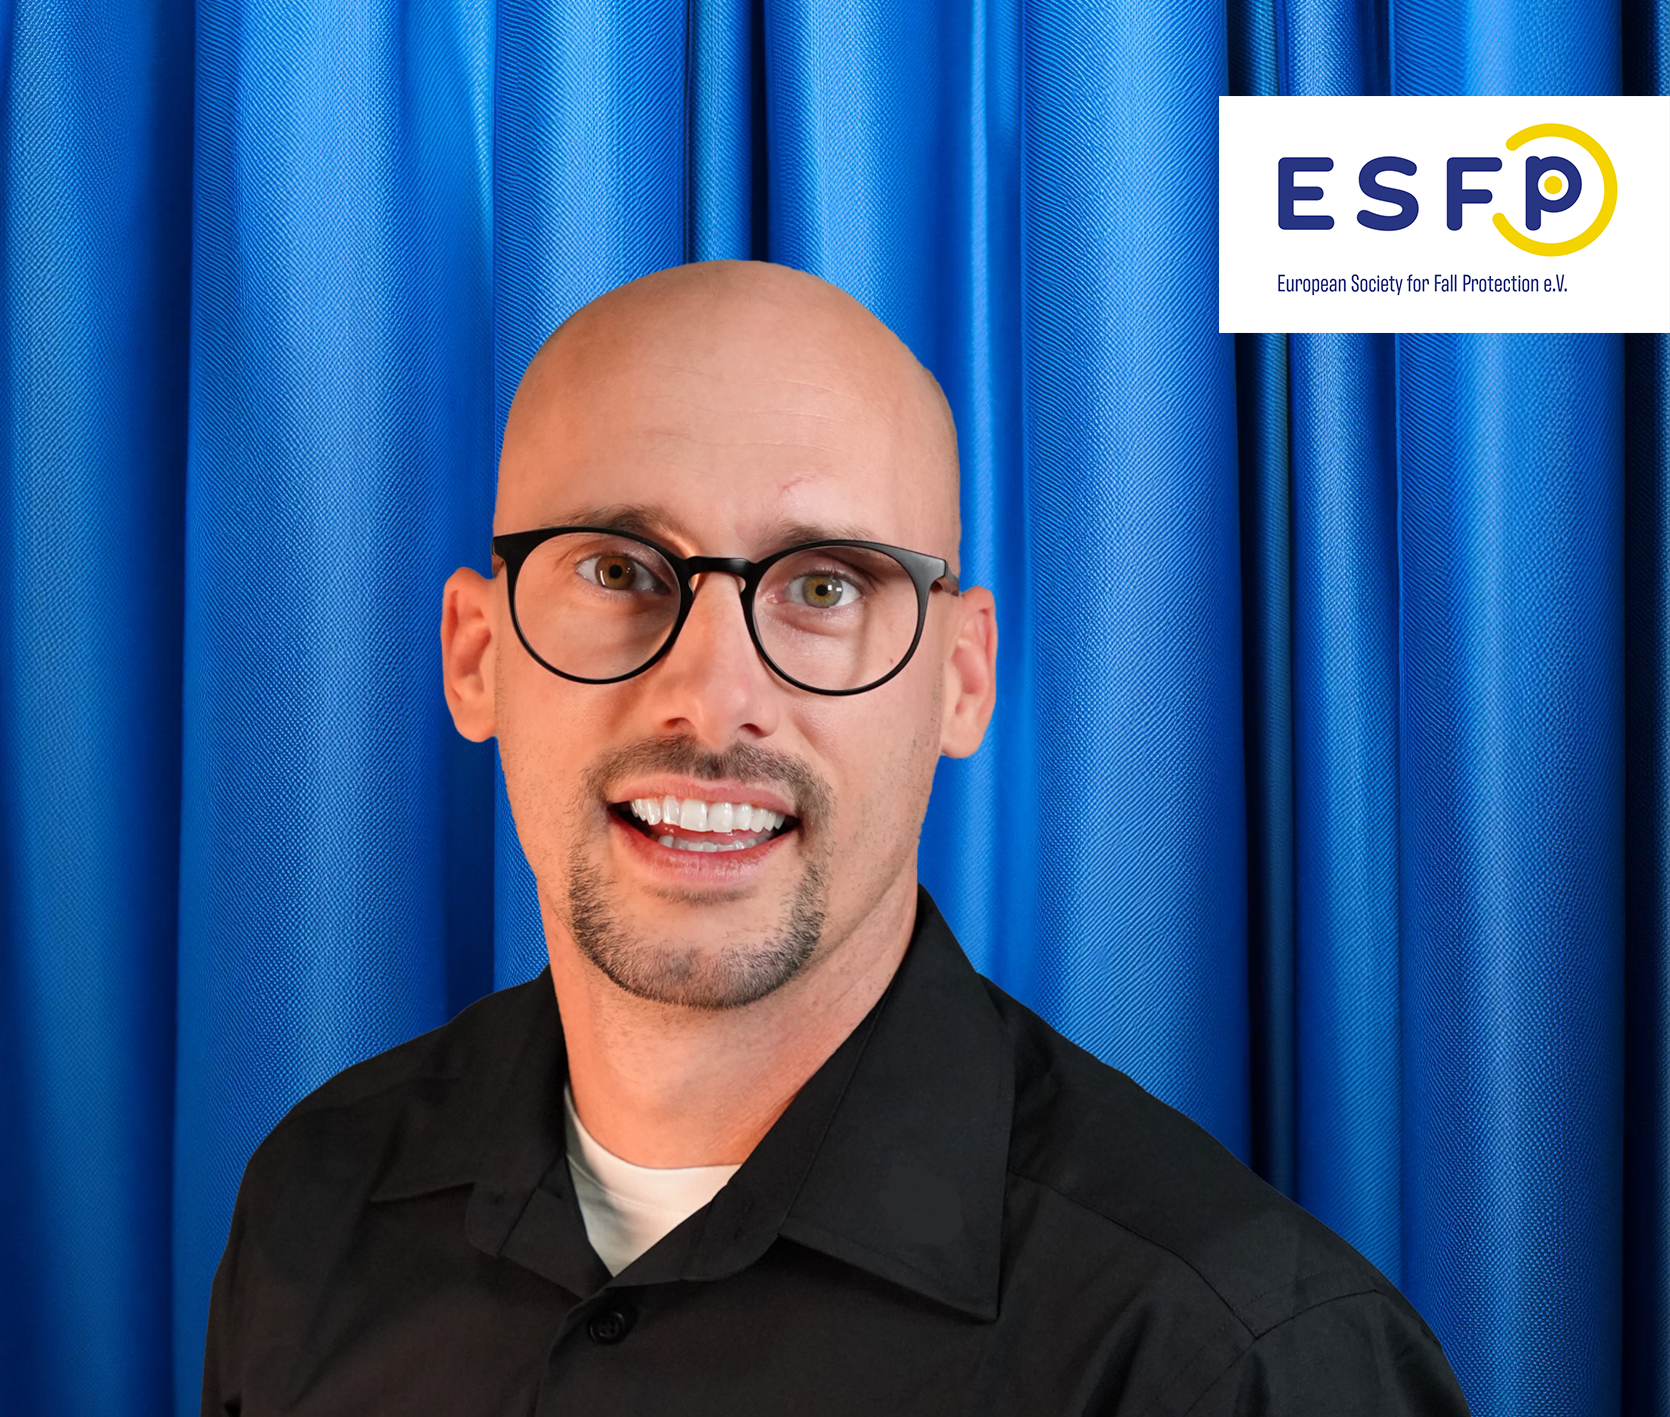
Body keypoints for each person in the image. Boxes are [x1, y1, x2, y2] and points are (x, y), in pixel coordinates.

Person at [200, 260, 1469, 1415]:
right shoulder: (315, 1202)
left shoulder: (1236, 1365)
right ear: (476, 656)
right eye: (618, 570)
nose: (711, 697)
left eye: (823, 586)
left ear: (962, 679)